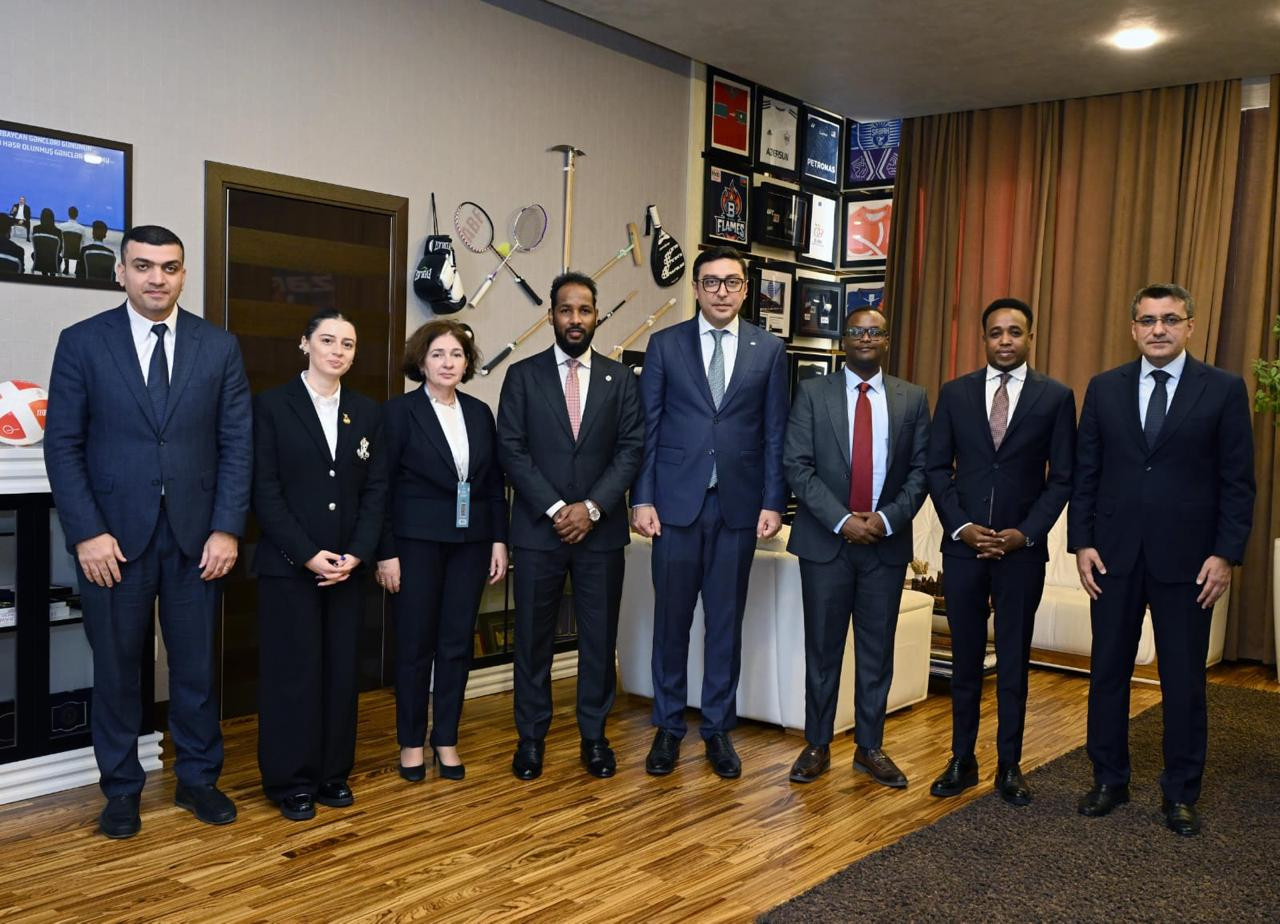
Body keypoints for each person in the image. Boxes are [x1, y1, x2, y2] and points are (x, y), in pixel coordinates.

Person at [43, 225, 252, 839]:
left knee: (195, 669)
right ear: (121, 272)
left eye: (169, 267)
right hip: (112, 542)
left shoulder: (219, 346)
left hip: (198, 540)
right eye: (143, 266)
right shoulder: (82, 342)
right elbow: (63, 445)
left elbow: (237, 443)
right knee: (116, 670)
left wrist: (227, 528)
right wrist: (86, 533)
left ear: (183, 273)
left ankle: (198, 779)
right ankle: (121, 790)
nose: (157, 278)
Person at [1069, 283, 1254, 837]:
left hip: (1190, 563)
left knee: (1183, 680)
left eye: (1170, 319)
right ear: (1133, 329)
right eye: (1148, 320)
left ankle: (1181, 792)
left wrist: (1225, 554)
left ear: (1189, 326)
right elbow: (1086, 473)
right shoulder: (1104, 388)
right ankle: (1109, 779)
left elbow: (1238, 482)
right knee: (1107, 673)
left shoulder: (1223, 389)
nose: (1158, 330)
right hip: (1113, 558)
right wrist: (1082, 542)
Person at [631, 246, 789, 779]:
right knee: (671, 624)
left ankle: (718, 729)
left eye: (732, 282)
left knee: (725, 624)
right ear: (696, 288)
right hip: (674, 505)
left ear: (745, 289)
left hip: (738, 507)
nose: (722, 291)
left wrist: (773, 501)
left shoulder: (769, 350)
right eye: (712, 282)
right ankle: (668, 727)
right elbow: (649, 428)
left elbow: (775, 433)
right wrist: (642, 498)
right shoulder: (665, 345)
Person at [925, 298, 1075, 805]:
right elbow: (935, 468)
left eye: (1015, 331)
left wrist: (1025, 533)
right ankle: (961, 759)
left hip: (1021, 553)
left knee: (1012, 662)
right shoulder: (955, 393)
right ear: (983, 338)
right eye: (996, 332)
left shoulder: (1056, 397)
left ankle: (1009, 765)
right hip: (963, 550)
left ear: (1030, 337)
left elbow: (1063, 478)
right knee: (965, 661)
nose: (1005, 340)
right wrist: (961, 527)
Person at [497, 271, 644, 780]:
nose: (575, 319)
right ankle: (531, 739)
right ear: (551, 316)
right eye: (566, 310)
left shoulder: (621, 379)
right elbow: (511, 449)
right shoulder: (522, 376)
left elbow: (631, 450)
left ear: (596, 315)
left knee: (599, 641)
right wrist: (559, 508)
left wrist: (593, 508)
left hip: (601, 533)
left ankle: (594, 737)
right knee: (532, 640)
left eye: (584, 310)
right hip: (539, 531)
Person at [783, 308, 929, 787]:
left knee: (876, 651)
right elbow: (797, 465)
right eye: (856, 331)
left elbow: (921, 471)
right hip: (825, 543)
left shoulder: (912, 398)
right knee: (822, 649)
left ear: (887, 340)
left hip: (885, 546)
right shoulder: (812, 393)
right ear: (843, 340)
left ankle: (870, 747)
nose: (866, 338)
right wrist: (842, 520)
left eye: (875, 332)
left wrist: (885, 520)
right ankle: (817, 743)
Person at [251, 309, 387, 820]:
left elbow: (376, 491)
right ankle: (290, 780)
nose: (337, 351)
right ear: (304, 344)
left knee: (340, 674)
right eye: (327, 340)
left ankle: (333, 774)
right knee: (294, 676)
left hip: (347, 569)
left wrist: (358, 553)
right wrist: (308, 555)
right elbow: (264, 491)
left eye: (347, 344)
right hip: (290, 567)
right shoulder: (271, 406)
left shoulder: (367, 411)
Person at [377, 320, 507, 782]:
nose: (448, 363)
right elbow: (381, 488)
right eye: (438, 354)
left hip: (471, 544)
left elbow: (492, 485)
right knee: (414, 646)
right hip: (415, 545)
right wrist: (385, 552)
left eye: (456, 354)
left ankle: (446, 738)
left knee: (456, 644)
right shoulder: (398, 412)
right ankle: (411, 742)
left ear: (467, 363)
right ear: (421, 360)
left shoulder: (479, 413)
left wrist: (498, 540)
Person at [58, 205, 90, 273]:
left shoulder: (61, 226)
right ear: (77, 215)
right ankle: (77, 269)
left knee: (64, 244)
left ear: (68, 214)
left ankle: (66, 267)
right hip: (77, 253)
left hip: (65, 252)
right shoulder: (82, 229)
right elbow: (83, 242)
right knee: (81, 246)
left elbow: (59, 241)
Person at [32, 208, 63, 276]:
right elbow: (60, 249)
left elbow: (35, 246)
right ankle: (52, 274)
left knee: (33, 254)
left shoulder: (36, 228)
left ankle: (44, 273)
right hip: (53, 260)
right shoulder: (58, 231)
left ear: (41, 217)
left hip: (39, 258)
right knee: (58, 258)